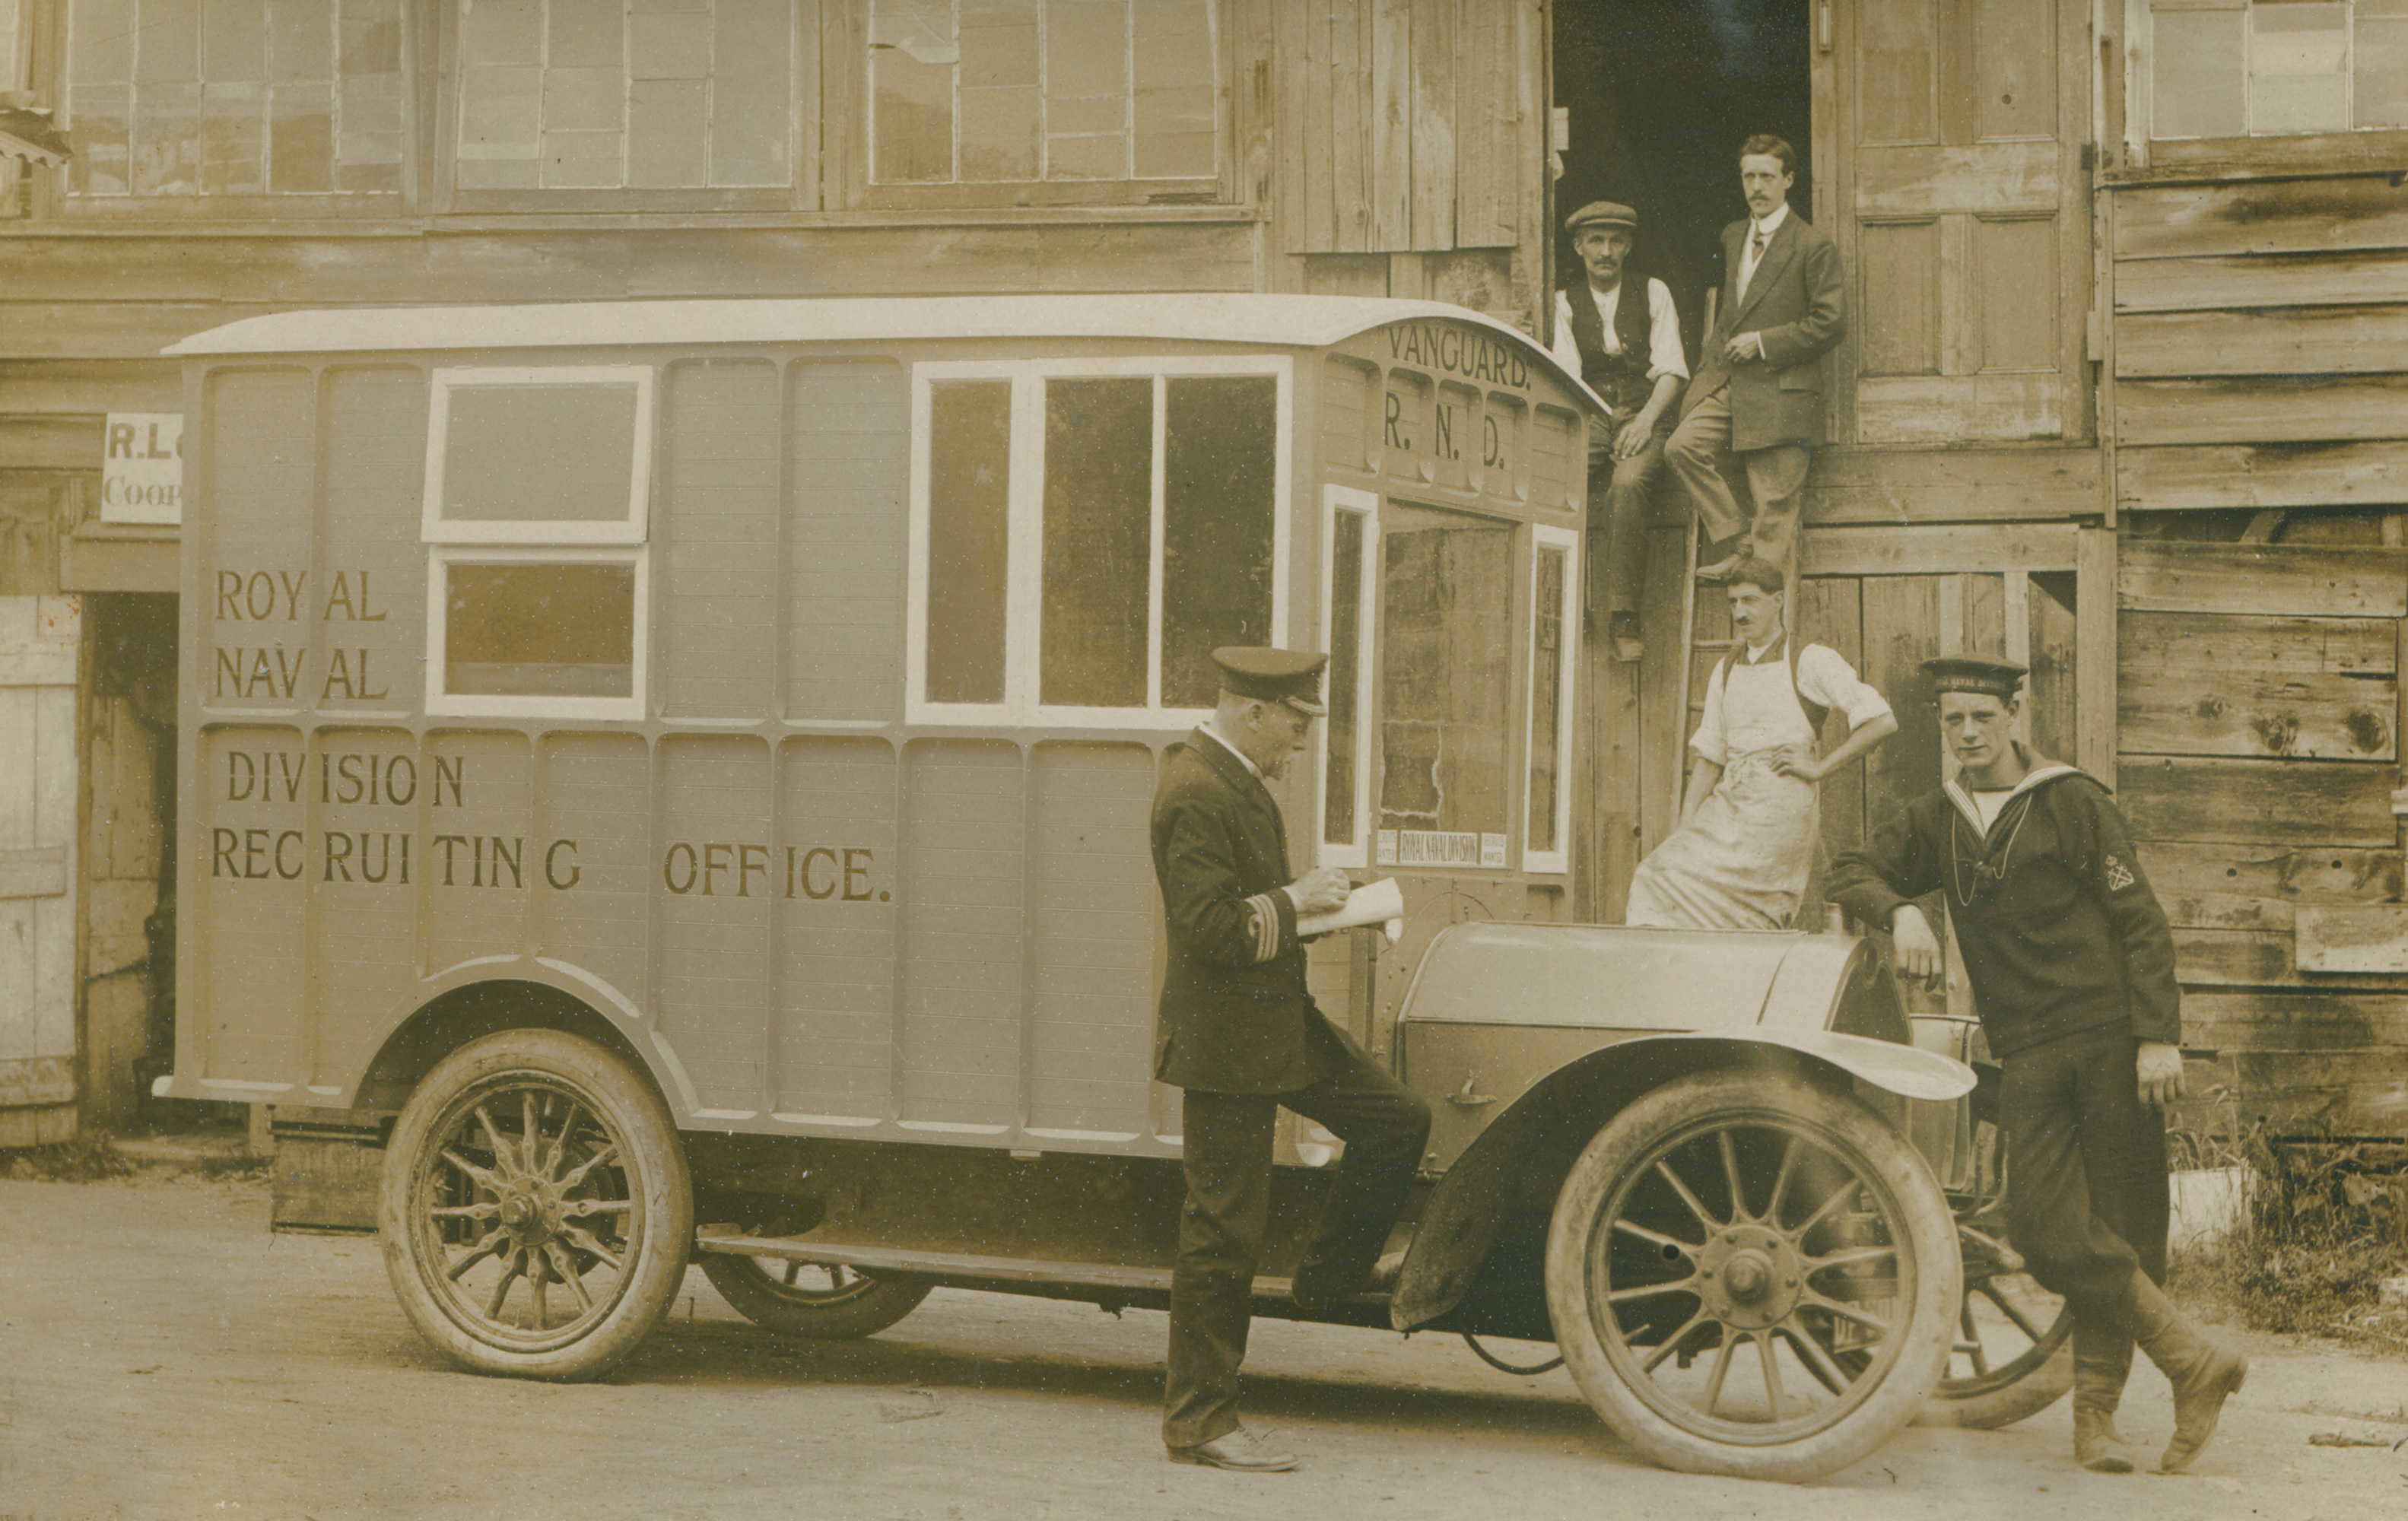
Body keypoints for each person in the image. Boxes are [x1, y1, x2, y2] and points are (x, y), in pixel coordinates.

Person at [1828, 656, 2248, 1476]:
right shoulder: (1935, 819)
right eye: (1952, 719)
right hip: (2024, 1049)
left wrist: (2157, 1035)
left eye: (1982, 715)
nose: (1967, 733)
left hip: (2109, 1041)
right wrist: (1903, 908)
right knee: (2044, 1225)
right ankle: (2194, 1360)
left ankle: (2096, 1423)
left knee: (2122, 1225)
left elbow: (2142, 923)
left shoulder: (2072, 801)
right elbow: (1848, 866)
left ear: (2015, 711)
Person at [1151, 646, 1433, 1474]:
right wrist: (1295, 899)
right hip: (1227, 1044)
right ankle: (1200, 1422)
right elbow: (1206, 930)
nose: (1304, 740)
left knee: (1396, 1119)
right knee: (1222, 1230)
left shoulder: (1231, 778)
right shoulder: (1196, 789)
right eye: (1298, 723)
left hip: (1275, 1022)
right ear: (1253, 713)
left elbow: (1242, 918)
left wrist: (1312, 904)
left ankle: (1329, 1278)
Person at [1624, 556, 1893, 929]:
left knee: (1747, 916)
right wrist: (1683, 831)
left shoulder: (1809, 659)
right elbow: (1710, 757)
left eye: (1750, 600)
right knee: (1659, 873)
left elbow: (1881, 720)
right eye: (1733, 602)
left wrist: (1819, 768)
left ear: (1778, 601)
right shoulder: (1727, 668)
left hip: (1778, 809)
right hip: (1731, 802)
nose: (1739, 612)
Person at [1665, 133, 1847, 583]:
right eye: (1749, 176)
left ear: (1788, 180)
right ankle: (1736, 544)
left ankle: (1764, 627)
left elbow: (1830, 322)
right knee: (1682, 447)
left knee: (1773, 508)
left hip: (1784, 391)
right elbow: (1732, 313)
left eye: (1767, 176)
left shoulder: (1811, 245)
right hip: (1731, 385)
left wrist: (1763, 342)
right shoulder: (1733, 236)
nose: (1757, 187)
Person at [1548, 200, 1688, 649]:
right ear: (1578, 246)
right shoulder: (1562, 303)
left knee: (1628, 484)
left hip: (1643, 412)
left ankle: (1623, 613)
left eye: (1615, 241)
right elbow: (1566, 375)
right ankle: (1565, 607)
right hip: (1588, 411)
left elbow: (1671, 370)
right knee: (1554, 480)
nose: (1605, 251)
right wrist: (1588, 426)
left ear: (1628, 246)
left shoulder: (1653, 292)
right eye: (1595, 241)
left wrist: (1647, 421)